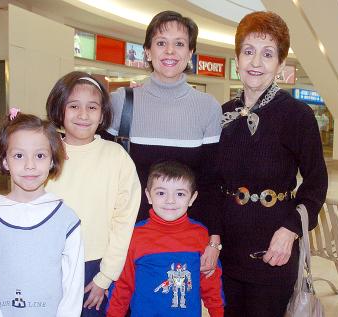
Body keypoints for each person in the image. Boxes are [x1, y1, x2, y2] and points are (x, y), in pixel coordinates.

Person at [214, 11, 328, 316]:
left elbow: (316, 183)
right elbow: (211, 181)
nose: (255, 63)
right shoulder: (222, 114)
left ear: (280, 64)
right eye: (248, 52)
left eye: (267, 54)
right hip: (226, 253)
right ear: (236, 58)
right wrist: (212, 239)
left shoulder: (297, 115)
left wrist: (290, 230)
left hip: (272, 252)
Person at [105, 10, 223, 276]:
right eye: (161, 43)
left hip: (184, 240)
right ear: (147, 51)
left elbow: (210, 182)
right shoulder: (121, 102)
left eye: (179, 43)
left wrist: (214, 240)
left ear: (190, 53)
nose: (170, 51)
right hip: (129, 238)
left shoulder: (207, 108)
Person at [0, 110, 84, 317]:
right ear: (5, 161)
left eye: (40, 155)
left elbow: (73, 284)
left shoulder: (67, 220)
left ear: (51, 161)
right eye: (19, 155)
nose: (29, 165)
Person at [45, 72, 141, 317]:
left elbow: (124, 221)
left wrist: (106, 275)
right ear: (59, 108)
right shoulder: (45, 153)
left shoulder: (116, 156)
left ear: (102, 113)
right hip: (51, 262)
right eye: (74, 106)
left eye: (92, 107)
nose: (83, 114)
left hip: (100, 266)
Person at [106, 161, 225, 317]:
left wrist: (217, 313)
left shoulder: (201, 235)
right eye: (161, 193)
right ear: (148, 195)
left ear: (192, 198)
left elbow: (212, 283)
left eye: (180, 194)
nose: (170, 200)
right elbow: (122, 285)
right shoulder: (135, 236)